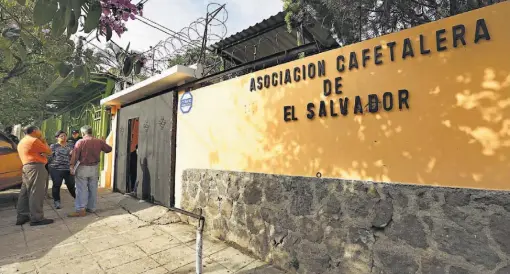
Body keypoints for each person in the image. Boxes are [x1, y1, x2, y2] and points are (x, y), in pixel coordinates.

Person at [69, 125, 112, 217]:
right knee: (93, 188)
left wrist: (72, 166)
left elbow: (75, 155)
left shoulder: (80, 142)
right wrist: (103, 142)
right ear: (91, 132)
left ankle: (81, 209)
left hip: (82, 167)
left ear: (83, 133)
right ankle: (91, 208)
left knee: (81, 189)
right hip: (95, 167)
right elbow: (109, 149)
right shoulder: (98, 141)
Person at [15, 126, 54, 226]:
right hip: (35, 168)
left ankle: (22, 215)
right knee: (36, 192)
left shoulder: (22, 141)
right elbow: (48, 151)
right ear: (34, 131)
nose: (40, 132)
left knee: (25, 192)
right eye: (39, 130)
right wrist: (44, 140)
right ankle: (37, 218)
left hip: (27, 167)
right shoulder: (34, 140)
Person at [48, 130, 76, 209]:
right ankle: (57, 201)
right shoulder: (53, 146)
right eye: (61, 136)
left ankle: (78, 199)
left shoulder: (71, 145)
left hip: (68, 168)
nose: (64, 137)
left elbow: (74, 156)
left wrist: (72, 165)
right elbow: (50, 157)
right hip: (56, 168)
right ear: (57, 138)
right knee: (57, 185)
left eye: (65, 136)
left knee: (71, 185)